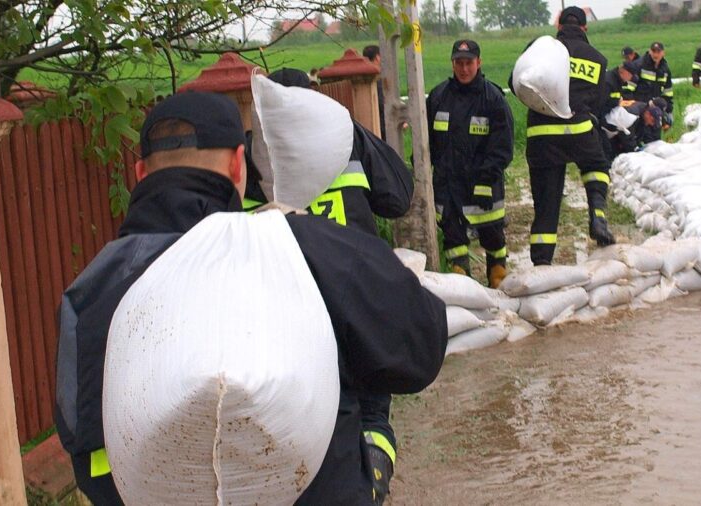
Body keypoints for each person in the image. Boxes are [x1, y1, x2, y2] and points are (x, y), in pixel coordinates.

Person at [53, 91, 447, 505]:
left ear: (139, 173)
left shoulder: (91, 290)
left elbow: (81, 439)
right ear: (238, 165)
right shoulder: (300, 248)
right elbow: (420, 346)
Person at [243, 67, 413, 504]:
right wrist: (351, 128)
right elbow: (398, 195)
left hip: (285, 313)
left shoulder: (246, 156)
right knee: (372, 410)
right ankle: (372, 484)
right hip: (357, 301)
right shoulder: (347, 139)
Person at [509, 5, 615, 265]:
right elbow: (600, 102)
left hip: (542, 136)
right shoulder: (597, 59)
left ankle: (542, 264)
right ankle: (598, 216)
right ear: (584, 27)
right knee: (597, 166)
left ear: (558, 25)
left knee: (546, 204)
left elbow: (516, 83)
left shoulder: (540, 50)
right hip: (579, 129)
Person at [427, 40, 515, 287]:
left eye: (469, 63)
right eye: (459, 63)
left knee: (493, 238)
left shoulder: (493, 98)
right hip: (448, 188)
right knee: (454, 241)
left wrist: (486, 179)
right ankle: (462, 285)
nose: (464, 69)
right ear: (452, 64)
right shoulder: (438, 97)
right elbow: (427, 144)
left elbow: (503, 146)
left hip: (483, 186)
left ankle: (498, 280)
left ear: (479, 63)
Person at [598, 59, 640, 162]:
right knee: (605, 149)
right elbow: (599, 104)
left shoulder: (618, 81)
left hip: (608, 118)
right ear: (624, 72)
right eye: (631, 76)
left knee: (612, 148)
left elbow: (612, 101)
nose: (630, 79)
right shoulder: (608, 82)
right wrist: (604, 124)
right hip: (600, 120)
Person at [633, 41, 674, 143]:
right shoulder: (640, 65)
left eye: (658, 52)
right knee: (644, 136)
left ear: (663, 53)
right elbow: (630, 88)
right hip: (642, 108)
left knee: (656, 137)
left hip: (657, 109)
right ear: (649, 51)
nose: (656, 54)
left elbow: (667, 91)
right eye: (653, 51)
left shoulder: (665, 69)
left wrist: (668, 109)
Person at [363, 45, 388, 138]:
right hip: (382, 126)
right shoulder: (376, 77)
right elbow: (383, 102)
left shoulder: (364, 75)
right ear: (377, 58)